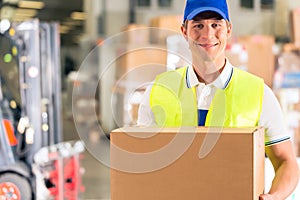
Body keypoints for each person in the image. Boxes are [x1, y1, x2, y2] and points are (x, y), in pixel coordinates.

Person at [137, 0, 299, 199]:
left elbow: (286, 161)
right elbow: (145, 163)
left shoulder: (259, 93)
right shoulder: (158, 91)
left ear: (229, 29)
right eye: (198, 25)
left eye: (216, 24)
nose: (207, 35)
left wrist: (275, 196)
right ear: (184, 31)